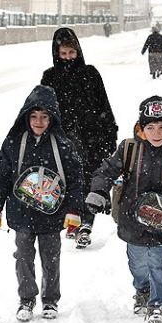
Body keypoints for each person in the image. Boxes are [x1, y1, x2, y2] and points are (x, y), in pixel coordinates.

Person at [84, 95, 162, 323]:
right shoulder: (129, 148)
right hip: (132, 219)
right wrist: (98, 191)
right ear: (142, 128)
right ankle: (143, 290)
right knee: (138, 263)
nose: (156, 133)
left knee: (159, 263)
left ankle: (158, 304)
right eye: (150, 127)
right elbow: (106, 171)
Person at [0, 85, 84, 322]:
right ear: (26, 116)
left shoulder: (63, 145)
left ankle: (50, 300)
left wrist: (73, 211)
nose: (39, 122)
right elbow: (1, 176)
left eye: (44, 117)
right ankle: (26, 299)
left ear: (52, 118)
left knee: (51, 257)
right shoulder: (13, 143)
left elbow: (75, 180)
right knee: (23, 256)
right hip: (21, 212)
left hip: (52, 214)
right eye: (34, 116)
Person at [40, 27, 118, 249]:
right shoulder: (50, 76)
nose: (67, 58)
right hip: (62, 139)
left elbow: (103, 104)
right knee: (67, 182)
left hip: (92, 138)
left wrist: (109, 133)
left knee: (89, 181)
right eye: (63, 54)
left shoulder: (90, 74)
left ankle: (85, 224)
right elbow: (42, 109)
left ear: (78, 52)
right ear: (57, 54)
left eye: (71, 54)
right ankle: (72, 220)